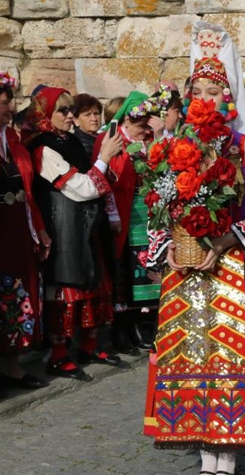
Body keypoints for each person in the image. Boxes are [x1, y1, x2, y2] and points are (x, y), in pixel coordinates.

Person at [143, 22, 245, 475]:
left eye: (214, 88)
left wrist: (225, 241)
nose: (205, 96)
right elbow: (161, 207)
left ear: (228, 95)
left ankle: (225, 456)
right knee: (193, 356)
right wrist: (168, 243)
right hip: (186, 272)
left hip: (229, 268)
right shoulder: (174, 145)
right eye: (199, 88)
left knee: (226, 356)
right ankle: (202, 446)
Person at [24, 87, 124, 379]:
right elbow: (81, 188)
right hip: (63, 225)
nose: (70, 116)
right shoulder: (43, 147)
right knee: (66, 289)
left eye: (71, 110)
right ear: (46, 115)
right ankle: (57, 355)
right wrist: (104, 157)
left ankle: (89, 345)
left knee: (92, 282)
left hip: (85, 225)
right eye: (63, 111)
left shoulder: (69, 141)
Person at [96, 90, 167, 355]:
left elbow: (163, 168)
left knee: (149, 265)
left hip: (148, 212)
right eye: (140, 124)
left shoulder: (149, 139)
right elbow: (106, 181)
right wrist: (113, 214)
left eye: (148, 123)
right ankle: (122, 327)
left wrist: (159, 138)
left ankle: (145, 321)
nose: (144, 129)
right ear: (127, 120)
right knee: (125, 269)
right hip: (125, 212)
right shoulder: (114, 140)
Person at [0, 72, 49, 393]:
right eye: (5, 103)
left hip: (15, 230)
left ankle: (11, 365)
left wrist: (39, 230)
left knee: (14, 294)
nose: (12, 108)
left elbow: (28, 191)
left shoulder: (11, 141)